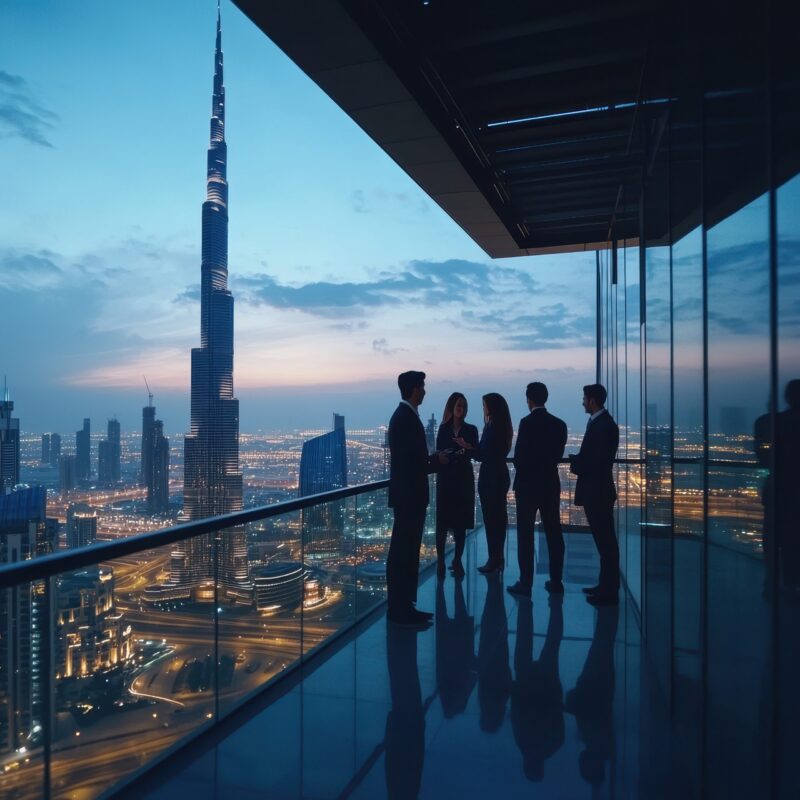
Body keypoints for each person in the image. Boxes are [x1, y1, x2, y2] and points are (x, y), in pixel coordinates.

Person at [387, 370, 446, 626]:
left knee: (407, 551)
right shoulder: (405, 419)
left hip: (408, 496)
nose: (425, 391)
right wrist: (436, 460)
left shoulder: (405, 417)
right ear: (413, 389)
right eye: (422, 386)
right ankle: (400, 609)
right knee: (403, 551)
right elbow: (413, 463)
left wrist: (432, 460)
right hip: (409, 496)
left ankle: (404, 606)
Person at [508, 382, 568, 598]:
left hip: (527, 486)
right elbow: (557, 454)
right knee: (554, 532)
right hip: (550, 484)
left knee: (525, 534)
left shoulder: (526, 423)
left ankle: (526, 583)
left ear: (529, 400)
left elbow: (520, 456)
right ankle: (556, 580)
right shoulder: (559, 425)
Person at [569, 384, 620, 606]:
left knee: (606, 543)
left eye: (584, 398)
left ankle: (609, 591)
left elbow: (596, 461)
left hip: (597, 491)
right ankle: (605, 586)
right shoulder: (602, 423)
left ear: (592, 401)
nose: (582, 402)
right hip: (598, 491)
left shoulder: (603, 426)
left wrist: (576, 464)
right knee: (604, 543)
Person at [456, 392, 513, 574]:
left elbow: (484, 454)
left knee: (491, 518)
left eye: (484, 405)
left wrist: (469, 447)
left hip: (491, 476)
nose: (483, 408)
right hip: (500, 474)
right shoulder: (503, 426)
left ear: (491, 407)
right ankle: (498, 558)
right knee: (499, 516)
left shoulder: (492, 426)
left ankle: (494, 558)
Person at [435, 392, 479, 578]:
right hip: (446, 478)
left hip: (463, 478)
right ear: (452, 407)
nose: (462, 409)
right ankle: (440, 561)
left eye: (464, 406)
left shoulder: (471, 429)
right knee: (442, 523)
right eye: (459, 406)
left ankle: (457, 559)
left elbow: (476, 453)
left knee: (460, 522)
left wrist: (466, 447)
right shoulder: (443, 429)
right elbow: (439, 452)